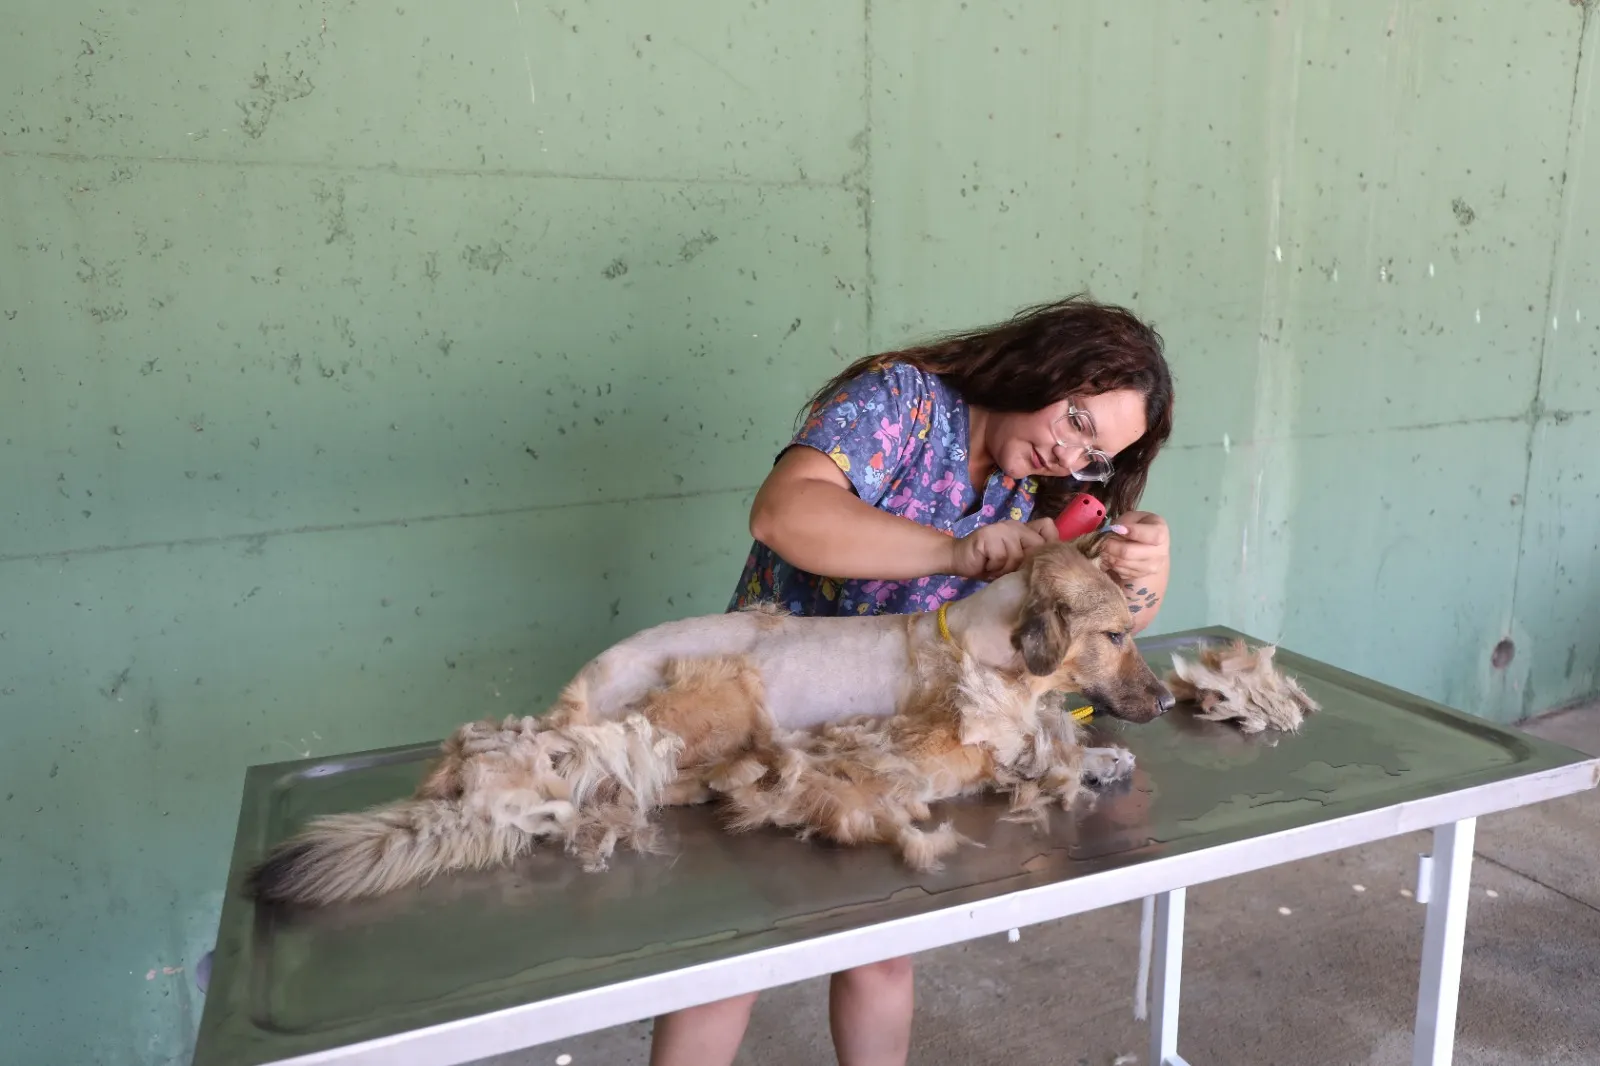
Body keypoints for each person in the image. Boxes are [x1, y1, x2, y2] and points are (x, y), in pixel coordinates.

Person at [647, 293, 1176, 1066]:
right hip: (772, 709)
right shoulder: (898, 403)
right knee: (731, 956)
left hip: (896, 739)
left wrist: (1148, 576)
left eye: (1095, 456)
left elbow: (1102, 629)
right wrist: (952, 553)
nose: (1071, 457)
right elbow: (782, 515)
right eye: (1077, 421)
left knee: (883, 946)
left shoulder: (1039, 489)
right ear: (1045, 368)